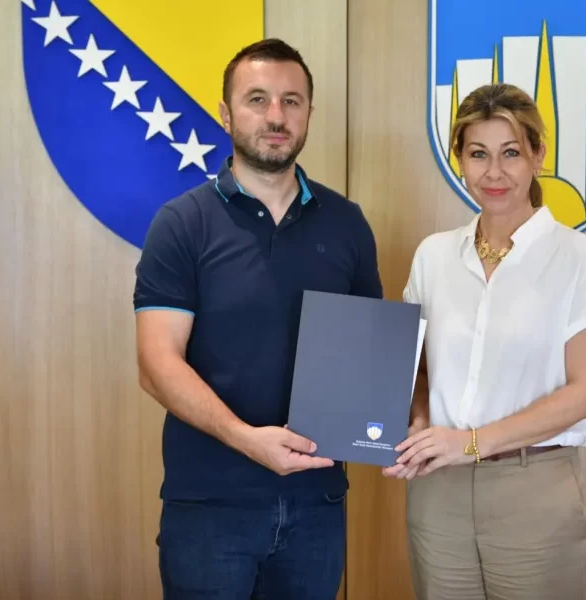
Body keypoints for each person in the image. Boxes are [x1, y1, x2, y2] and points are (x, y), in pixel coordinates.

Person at [133, 38, 383, 599]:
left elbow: (367, 354)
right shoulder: (182, 223)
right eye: (257, 99)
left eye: (292, 101)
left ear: (309, 113)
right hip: (210, 509)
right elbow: (155, 364)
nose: (276, 116)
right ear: (226, 114)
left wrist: (388, 429)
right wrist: (246, 439)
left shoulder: (347, 223)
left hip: (317, 506)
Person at [383, 83, 586, 600]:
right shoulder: (432, 256)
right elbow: (418, 368)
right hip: (438, 491)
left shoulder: (576, 257)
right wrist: (419, 422)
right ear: (459, 161)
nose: (494, 172)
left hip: (533, 488)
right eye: (478, 154)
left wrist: (471, 442)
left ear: (538, 156)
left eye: (510, 153)